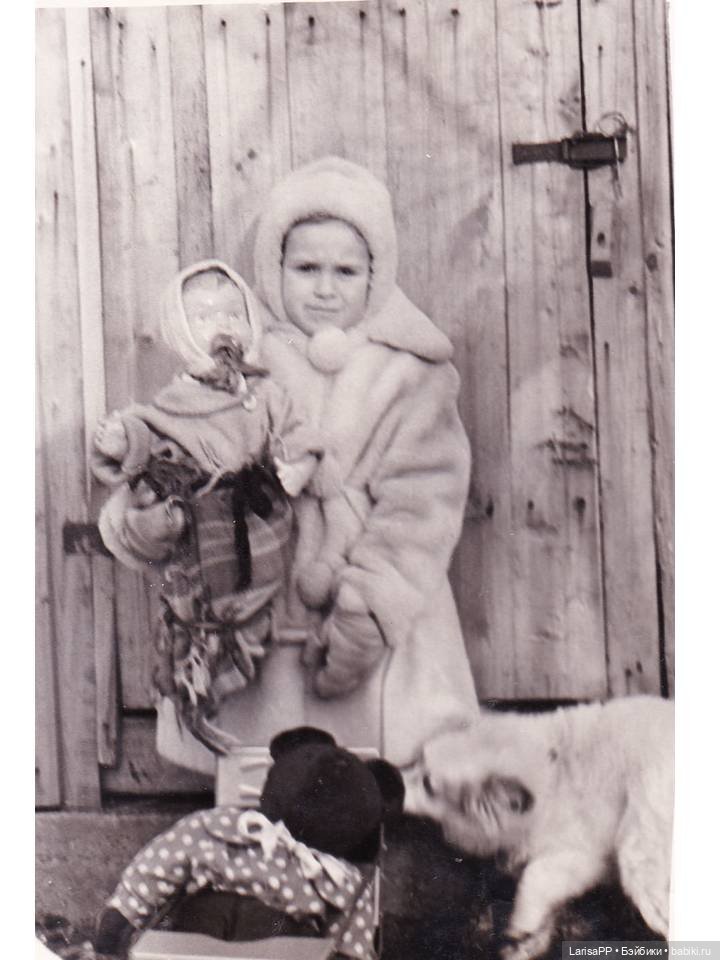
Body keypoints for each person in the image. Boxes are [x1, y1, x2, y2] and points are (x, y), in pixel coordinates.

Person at [157, 157, 482, 774]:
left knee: (372, 765)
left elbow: (423, 501)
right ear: (274, 269)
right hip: (263, 583)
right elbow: (189, 454)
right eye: (306, 269)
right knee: (265, 759)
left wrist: (371, 608)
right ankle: (260, 815)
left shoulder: (412, 371)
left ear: (375, 276)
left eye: (346, 271)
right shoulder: (241, 365)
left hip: (363, 582)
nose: (325, 289)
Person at [92, 260, 322, 749]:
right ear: (181, 332)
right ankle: (201, 683)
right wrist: (122, 440)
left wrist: (298, 466)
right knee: (197, 605)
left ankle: (235, 674)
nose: (223, 325)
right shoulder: (177, 398)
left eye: (233, 314)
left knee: (260, 614)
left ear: (251, 322)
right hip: (203, 523)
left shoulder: (265, 392)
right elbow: (149, 429)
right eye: (204, 317)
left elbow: (297, 434)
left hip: (258, 517)